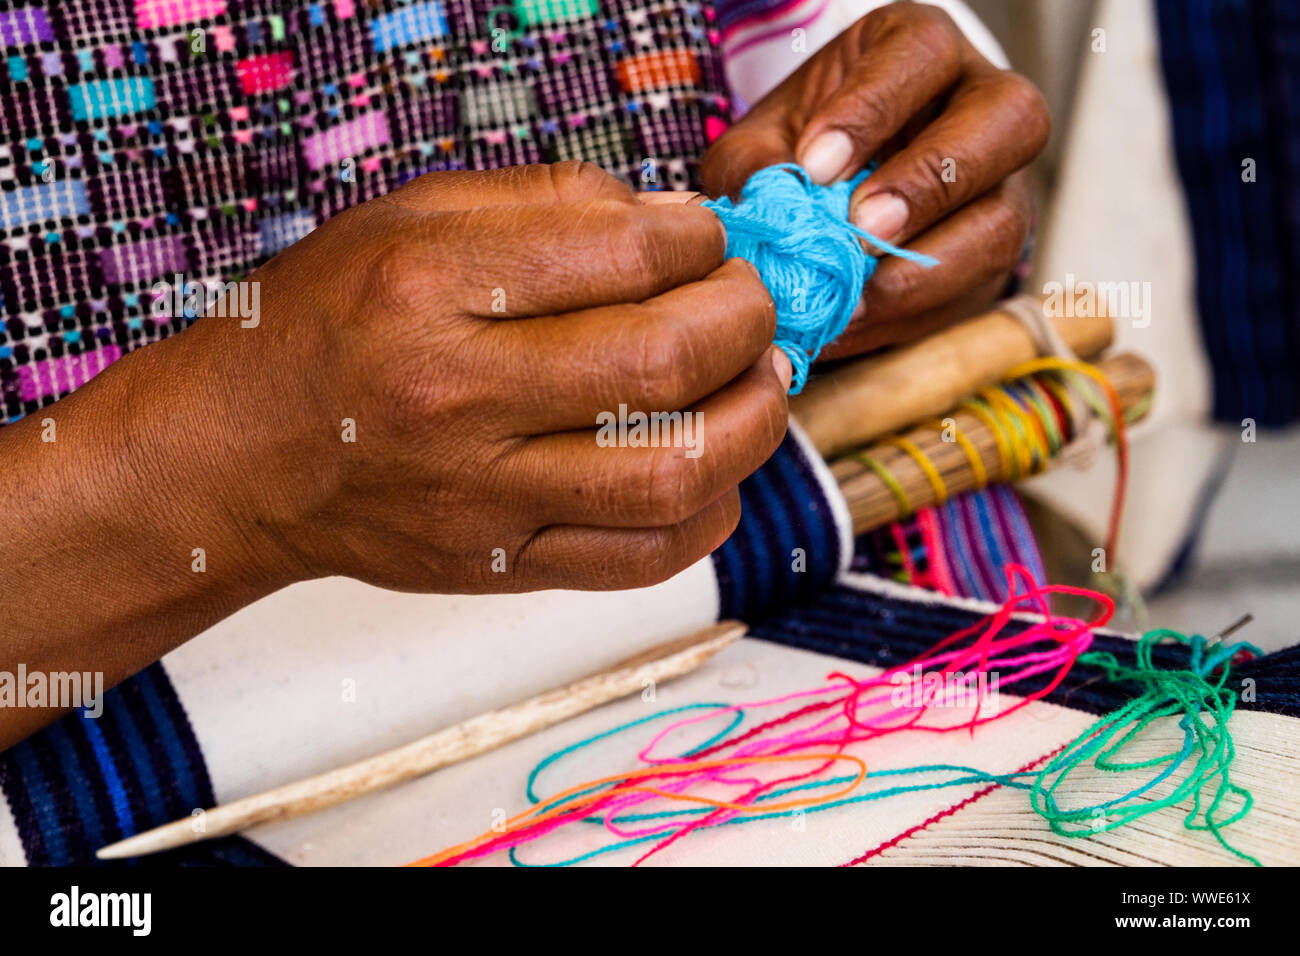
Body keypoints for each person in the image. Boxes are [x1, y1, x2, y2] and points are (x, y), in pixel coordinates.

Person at [0, 0, 1047, 749]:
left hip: (844, 605)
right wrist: (228, 467)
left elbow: (833, 57)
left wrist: (893, 158)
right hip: (120, 770)